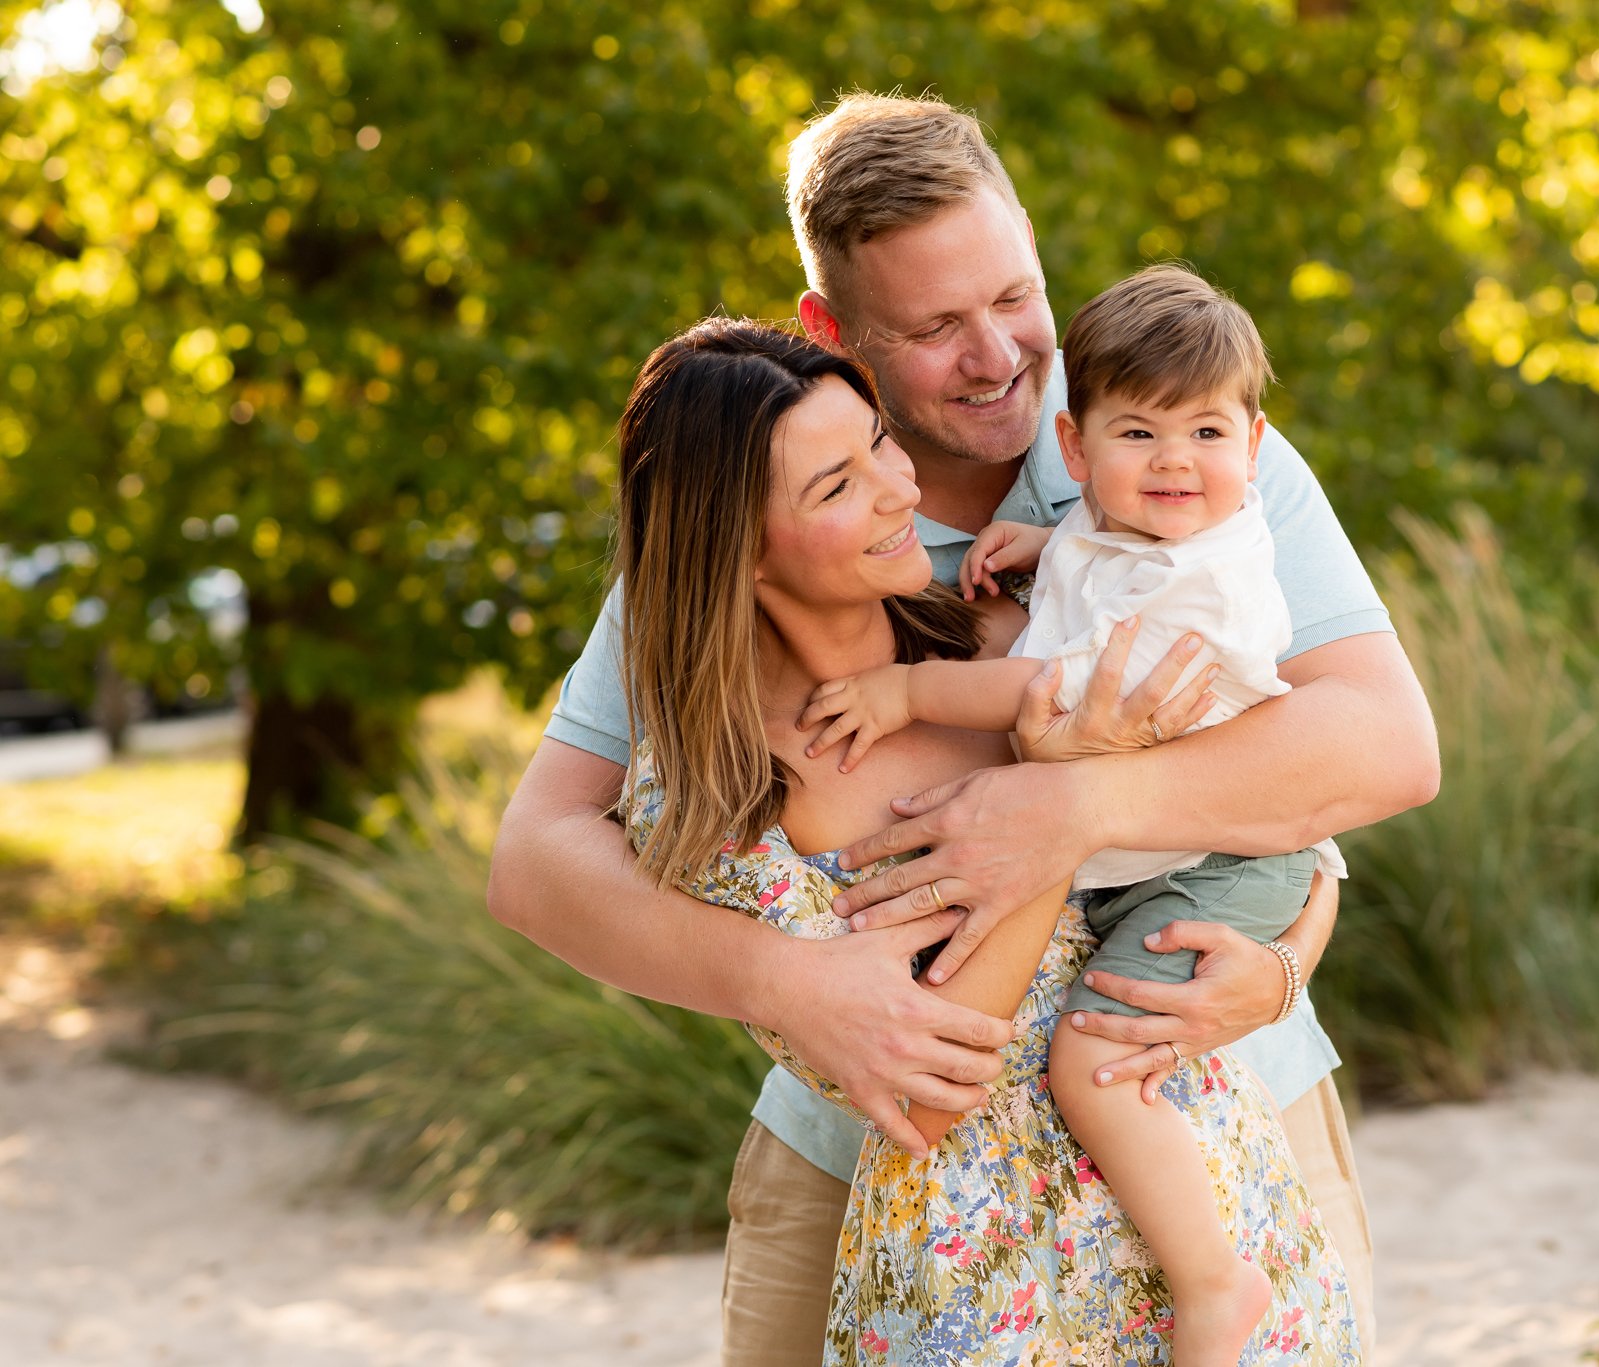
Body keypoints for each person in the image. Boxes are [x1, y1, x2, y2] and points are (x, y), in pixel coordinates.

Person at [487, 92, 1438, 1363]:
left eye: (1013, 295)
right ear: (832, 329)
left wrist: (1082, 813)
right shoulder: (745, 521)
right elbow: (538, 852)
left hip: (1209, 1100)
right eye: (933, 328)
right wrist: (793, 986)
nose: (996, 355)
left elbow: (1380, 743)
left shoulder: (1184, 447)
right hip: (866, 1171)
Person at [609, 314, 1363, 1362]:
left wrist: (1280, 969)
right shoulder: (717, 796)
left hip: (1213, 1219)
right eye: (835, 486)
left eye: (878, 442)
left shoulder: (1018, 637)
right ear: (733, 548)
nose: (899, 487)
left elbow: (1269, 831)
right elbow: (930, 1078)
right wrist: (1059, 792)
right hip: (986, 1282)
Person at [803, 263, 1345, 1362]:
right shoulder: (1133, 540)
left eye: (1203, 434)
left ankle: (1210, 1282)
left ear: (1252, 447)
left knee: (1090, 1061)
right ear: (1073, 449)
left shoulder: (1217, 581)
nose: (1173, 463)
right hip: (1169, 853)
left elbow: (1043, 696)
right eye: (1137, 435)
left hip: (1213, 871)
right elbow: (1115, 566)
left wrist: (903, 690)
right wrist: (1050, 548)